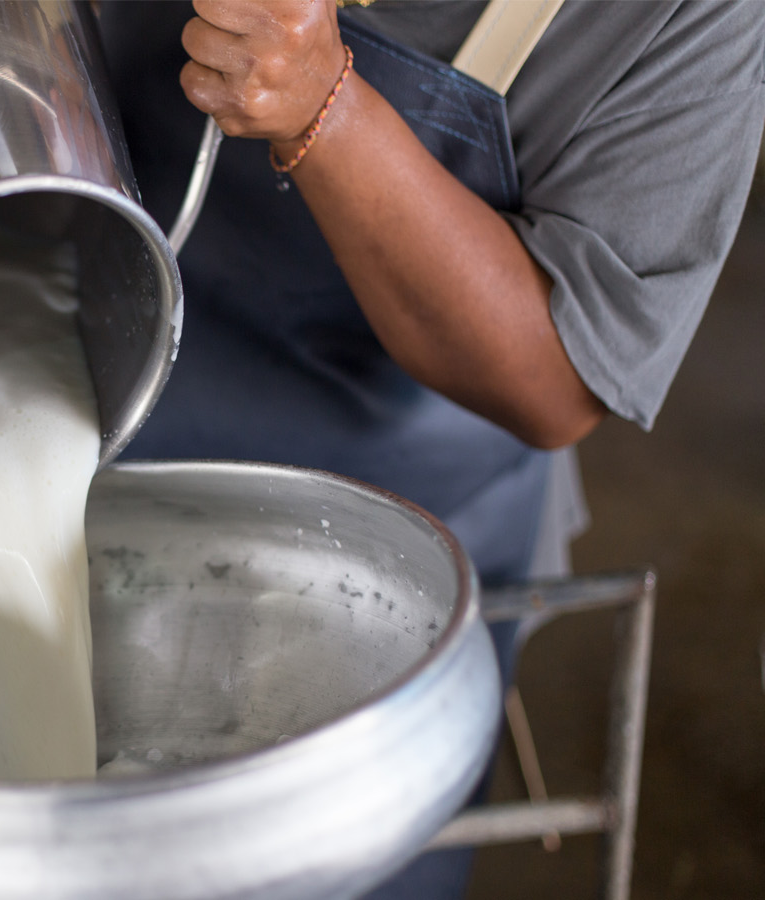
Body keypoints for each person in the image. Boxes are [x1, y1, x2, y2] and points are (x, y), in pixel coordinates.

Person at [97, 0, 764, 895]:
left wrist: (325, 107)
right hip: (93, 391)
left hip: (392, 530)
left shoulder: (689, 20)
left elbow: (557, 376)